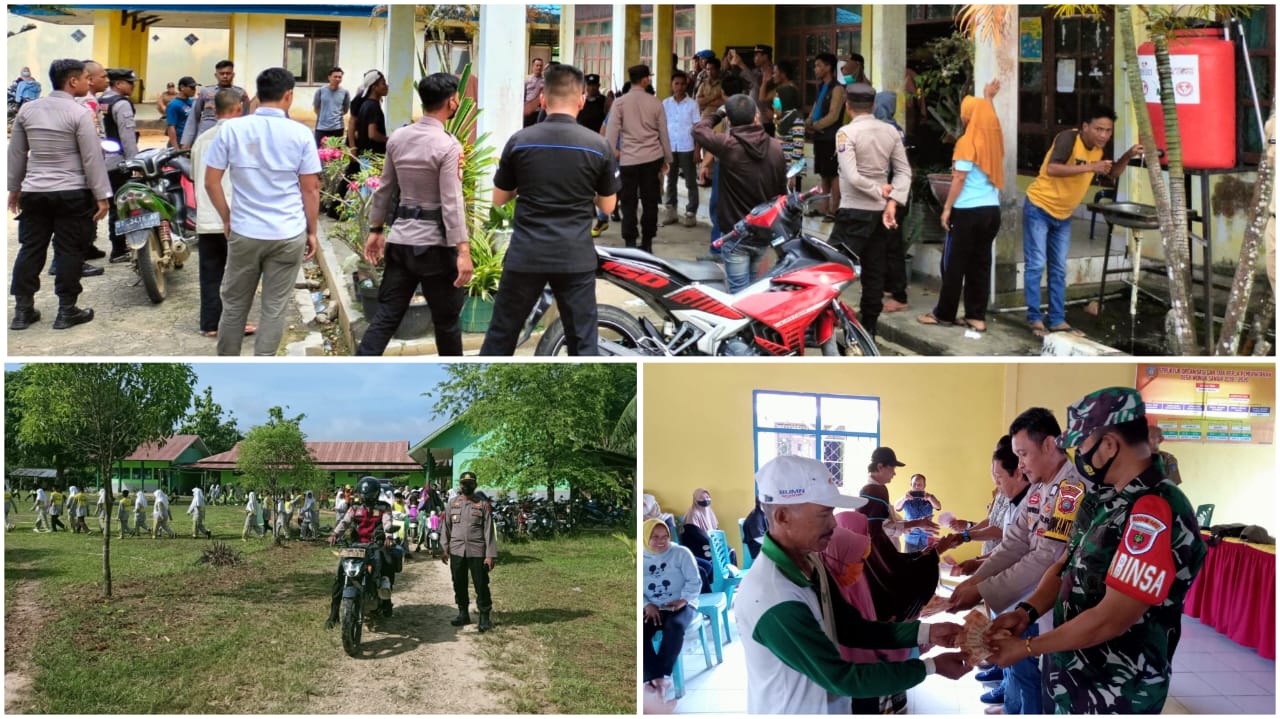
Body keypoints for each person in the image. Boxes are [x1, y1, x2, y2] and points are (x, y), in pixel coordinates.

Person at [985, 388, 1206, 714]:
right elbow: (1063, 565)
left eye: (1081, 446)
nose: (1077, 456)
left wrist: (1027, 647)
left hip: (1115, 692)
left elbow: (1110, 620)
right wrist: (1025, 613)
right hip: (1071, 680)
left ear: (1109, 445)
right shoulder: (1101, 499)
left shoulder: (1156, 509)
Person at [736, 455, 971, 713]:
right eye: (824, 513)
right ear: (782, 516)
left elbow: (851, 627)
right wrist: (932, 667)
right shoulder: (773, 596)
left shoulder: (812, 563)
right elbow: (842, 678)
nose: (834, 524)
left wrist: (926, 632)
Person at [948, 407, 1091, 714]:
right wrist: (976, 581)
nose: (1021, 464)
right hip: (1032, 603)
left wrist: (984, 589)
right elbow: (1014, 541)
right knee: (1028, 672)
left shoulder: (1070, 488)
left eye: (1024, 454)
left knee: (1047, 683)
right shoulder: (1039, 487)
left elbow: (1046, 557)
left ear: (1050, 445)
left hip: (1059, 604)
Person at [479, 63, 620, 357]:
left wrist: (527, 184)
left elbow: (499, 198)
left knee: (501, 337)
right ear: (581, 99)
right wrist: (585, 188)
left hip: (525, 255)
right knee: (583, 343)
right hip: (574, 258)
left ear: (543, 98)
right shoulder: (597, 146)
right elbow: (608, 205)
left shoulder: (520, 141)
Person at [204, 67, 321, 356]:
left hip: (245, 231)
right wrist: (312, 231)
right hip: (288, 232)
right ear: (289, 96)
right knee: (274, 307)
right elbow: (310, 189)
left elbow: (211, 182)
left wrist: (227, 217)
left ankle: (228, 362)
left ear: (257, 94)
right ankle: (264, 361)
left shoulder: (232, 129)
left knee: (234, 305)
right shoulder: (302, 134)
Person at [357, 73, 472, 356]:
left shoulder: (398, 138)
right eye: (457, 97)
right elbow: (451, 201)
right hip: (435, 247)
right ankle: (454, 379)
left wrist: (375, 230)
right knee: (446, 324)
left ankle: (359, 363)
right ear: (451, 102)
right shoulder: (448, 146)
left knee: (386, 316)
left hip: (401, 242)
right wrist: (464, 250)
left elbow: (384, 189)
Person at [8, 58, 112, 331]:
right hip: (71, 193)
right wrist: (102, 195)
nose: (89, 82)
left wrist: (14, 189)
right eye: (85, 78)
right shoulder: (78, 113)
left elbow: (17, 152)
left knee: (30, 249)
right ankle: (67, 311)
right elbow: (92, 158)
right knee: (69, 250)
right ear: (72, 81)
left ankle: (23, 311)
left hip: (34, 191)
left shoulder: (28, 110)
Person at [1024, 106, 1142, 338]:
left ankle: (1057, 320)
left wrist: (1128, 155)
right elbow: (1052, 168)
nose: (1103, 135)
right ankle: (1034, 319)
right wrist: (1090, 167)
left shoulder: (1098, 149)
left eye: (1108, 131)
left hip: (1064, 214)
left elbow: (1112, 173)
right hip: (1039, 207)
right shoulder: (1069, 138)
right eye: (1099, 129)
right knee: (1036, 264)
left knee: (1058, 268)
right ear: (1085, 127)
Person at [828, 82, 911, 340]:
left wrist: (882, 193)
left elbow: (852, 177)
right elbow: (904, 172)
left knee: (830, 270)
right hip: (880, 214)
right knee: (875, 272)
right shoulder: (891, 131)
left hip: (854, 212)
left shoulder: (845, 133)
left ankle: (826, 318)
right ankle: (868, 329)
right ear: (873, 106)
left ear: (848, 106)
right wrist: (891, 201)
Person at [920, 80, 1004, 332]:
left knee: (953, 265)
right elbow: (991, 120)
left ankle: (944, 314)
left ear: (968, 117)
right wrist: (989, 98)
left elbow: (959, 178)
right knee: (980, 263)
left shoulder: (967, 142)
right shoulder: (994, 139)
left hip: (967, 212)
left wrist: (947, 208)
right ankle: (976, 317)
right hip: (992, 212)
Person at [693, 94, 787, 291]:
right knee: (753, 291)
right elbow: (781, 192)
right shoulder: (775, 147)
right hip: (763, 229)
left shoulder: (728, 145)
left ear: (729, 120)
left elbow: (698, 129)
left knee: (738, 293)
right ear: (756, 117)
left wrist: (718, 113)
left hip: (735, 231)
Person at [191, 87, 251, 339]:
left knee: (210, 273)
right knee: (239, 276)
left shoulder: (201, 139)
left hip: (206, 217)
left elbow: (196, 177)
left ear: (214, 110)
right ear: (239, 108)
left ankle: (210, 324)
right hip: (235, 217)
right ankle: (235, 324)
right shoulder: (243, 137)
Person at [606, 65, 671, 255]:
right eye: (648, 78)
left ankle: (630, 242)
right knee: (650, 201)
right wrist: (667, 158)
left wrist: (616, 153)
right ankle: (648, 241)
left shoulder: (619, 104)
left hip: (628, 160)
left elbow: (610, 136)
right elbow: (663, 134)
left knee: (628, 202)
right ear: (644, 80)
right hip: (652, 159)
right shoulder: (655, 103)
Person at [642, 519, 701, 694]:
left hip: (682, 604)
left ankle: (661, 677)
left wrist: (683, 600)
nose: (661, 541)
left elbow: (695, 581)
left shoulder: (681, 553)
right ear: (645, 537)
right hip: (653, 606)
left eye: (665, 537)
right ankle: (655, 677)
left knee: (674, 627)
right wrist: (647, 605)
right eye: (654, 537)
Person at [326, 477, 396, 626]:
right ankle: (333, 614)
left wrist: (388, 536)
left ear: (376, 494)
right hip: (356, 545)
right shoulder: (355, 507)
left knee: (389, 563)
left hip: (375, 545)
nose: (366, 498)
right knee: (340, 574)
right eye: (363, 495)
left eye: (369, 495)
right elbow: (345, 521)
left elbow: (387, 522)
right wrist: (335, 534)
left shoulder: (384, 507)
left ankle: (386, 600)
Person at [442, 471, 498, 631]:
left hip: (477, 551)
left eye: (470, 483)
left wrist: (490, 555)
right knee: (458, 583)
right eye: (464, 483)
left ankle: (484, 617)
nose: (467, 486)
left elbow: (489, 531)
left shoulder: (482, 505)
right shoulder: (452, 504)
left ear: (475, 485)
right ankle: (463, 614)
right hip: (457, 550)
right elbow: (446, 527)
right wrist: (444, 548)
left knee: (481, 585)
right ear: (460, 485)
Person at [100, 67, 143, 264]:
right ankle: (119, 249)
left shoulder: (101, 101)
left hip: (103, 161)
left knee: (112, 205)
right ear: (118, 84)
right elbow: (127, 137)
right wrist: (135, 163)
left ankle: (116, 246)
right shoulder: (122, 104)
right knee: (122, 205)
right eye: (130, 82)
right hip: (119, 162)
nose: (133, 86)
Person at [805, 53, 845, 221]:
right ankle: (823, 207)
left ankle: (834, 209)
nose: (816, 69)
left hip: (831, 137)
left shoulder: (837, 88)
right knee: (823, 173)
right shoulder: (821, 87)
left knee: (833, 174)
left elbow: (834, 115)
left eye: (819, 65)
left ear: (829, 67)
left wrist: (816, 125)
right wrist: (808, 122)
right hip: (820, 137)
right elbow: (815, 109)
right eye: (816, 66)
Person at [180, 59, 252, 148]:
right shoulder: (205, 92)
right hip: (206, 138)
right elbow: (194, 117)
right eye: (222, 73)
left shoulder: (240, 93)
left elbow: (245, 118)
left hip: (230, 138)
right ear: (216, 75)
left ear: (233, 75)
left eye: (228, 73)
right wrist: (186, 142)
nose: (225, 76)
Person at [661, 71, 699, 228]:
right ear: (672, 85)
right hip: (670, 147)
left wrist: (698, 150)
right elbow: (661, 127)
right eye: (676, 83)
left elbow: (697, 128)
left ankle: (690, 213)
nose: (679, 87)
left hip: (687, 146)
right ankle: (671, 211)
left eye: (682, 84)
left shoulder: (692, 104)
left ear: (687, 85)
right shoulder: (665, 104)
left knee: (690, 181)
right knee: (671, 180)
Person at [894, 474, 941, 552]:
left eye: (919, 484)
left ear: (924, 485)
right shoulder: (906, 498)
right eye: (914, 484)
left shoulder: (930, 497)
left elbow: (938, 506)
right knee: (909, 562)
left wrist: (930, 498)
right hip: (910, 538)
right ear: (911, 485)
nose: (916, 486)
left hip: (927, 538)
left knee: (926, 562)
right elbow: (896, 507)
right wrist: (904, 498)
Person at [312, 67, 349, 147]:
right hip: (322, 128)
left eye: (340, 77)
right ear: (329, 77)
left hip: (337, 128)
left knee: (336, 154)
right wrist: (324, 116)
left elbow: (345, 110)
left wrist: (335, 116)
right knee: (321, 152)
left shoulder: (345, 92)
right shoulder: (321, 91)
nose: (337, 79)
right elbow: (316, 108)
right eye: (335, 76)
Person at [164, 76, 197, 149]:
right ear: (182, 87)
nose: (194, 90)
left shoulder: (192, 101)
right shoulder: (173, 105)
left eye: (194, 88)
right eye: (191, 88)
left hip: (189, 141)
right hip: (179, 141)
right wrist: (176, 149)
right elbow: (171, 127)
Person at [523, 58, 546, 127]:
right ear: (533, 66)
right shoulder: (527, 80)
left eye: (541, 66)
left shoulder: (545, 81)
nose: (539, 67)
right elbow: (523, 94)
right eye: (537, 65)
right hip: (528, 110)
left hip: (539, 111)